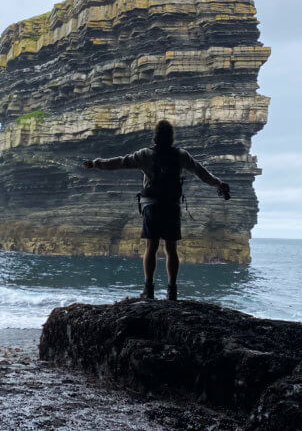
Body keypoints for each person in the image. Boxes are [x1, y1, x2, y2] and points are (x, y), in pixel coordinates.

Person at [82, 119, 230, 300]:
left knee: (151, 247)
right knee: (171, 248)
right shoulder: (181, 155)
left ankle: (148, 289)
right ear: (172, 137)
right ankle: (172, 290)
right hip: (171, 206)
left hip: (151, 205)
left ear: (155, 136)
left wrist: (96, 163)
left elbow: (120, 162)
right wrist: (219, 183)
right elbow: (202, 173)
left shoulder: (146, 154)